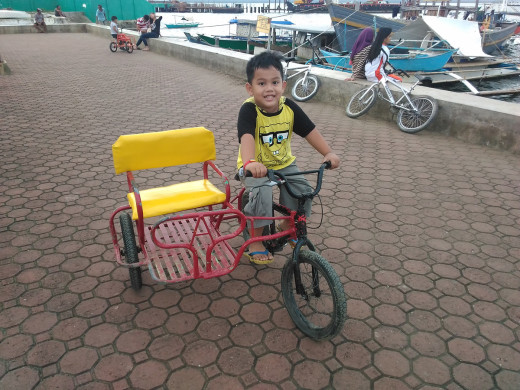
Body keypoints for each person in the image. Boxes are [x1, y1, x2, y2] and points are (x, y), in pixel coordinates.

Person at [237, 51, 340, 264]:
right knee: (261, 193)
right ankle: (255, 240)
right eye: (262, 83)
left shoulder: (289, 108)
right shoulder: (249, 110)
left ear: (283, 85)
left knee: (304, 191)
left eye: (274, 82)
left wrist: (327, 152)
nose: (269, 89)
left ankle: (287, 225)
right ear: (250, 88)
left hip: (285, 163)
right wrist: (250, 162)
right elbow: (246, 137)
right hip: (255, 166)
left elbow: (310, 131)